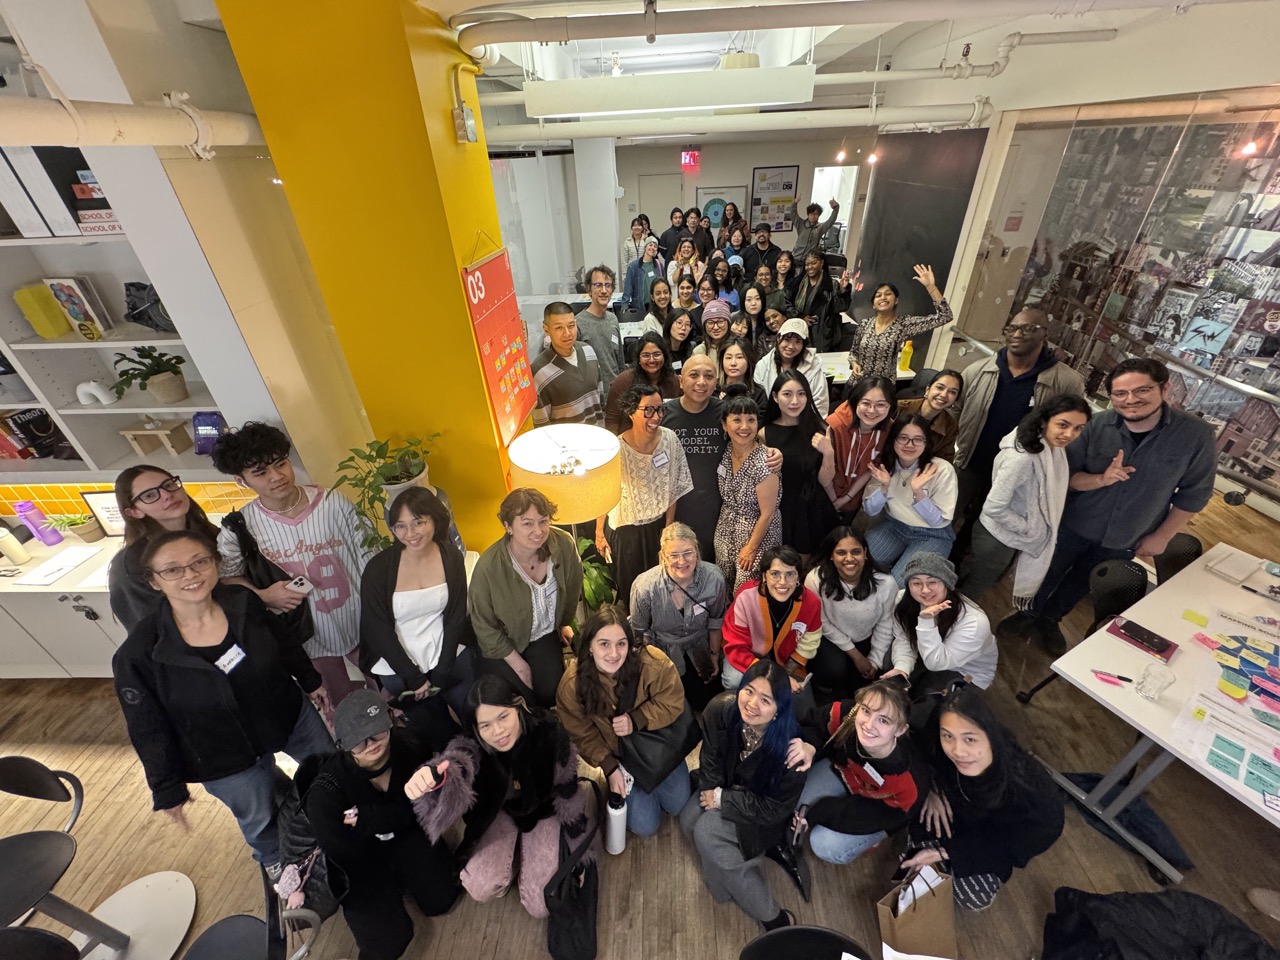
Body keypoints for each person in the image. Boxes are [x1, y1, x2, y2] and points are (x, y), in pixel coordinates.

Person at [112, 530, 333, 869]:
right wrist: (167, 788)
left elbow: (284, 642)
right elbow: (146, 727)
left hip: (287, 716)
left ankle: (343, 824)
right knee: (260, 819)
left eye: (199, 562)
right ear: (154, 582)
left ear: (214, 564)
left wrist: (311, 681)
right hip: (220, 752)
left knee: (330, 774)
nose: (190, 575)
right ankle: (279, 864)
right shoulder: (139, 653)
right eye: (172, 570)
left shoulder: (243, 602)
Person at [1004, 358, 1216, 653]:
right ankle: (1026, 614)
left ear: (1164, 388)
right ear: (1112, 396)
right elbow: (1066, 477)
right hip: (1074, 521)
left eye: (1142, 390)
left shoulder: (1195, 435)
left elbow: (1195, 493)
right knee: (1046, 571)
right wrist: (1101, 480)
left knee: (1083, 583)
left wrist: (1163, 536)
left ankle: (1050, 621)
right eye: (1120, 394)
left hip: (1129, 533)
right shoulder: (1095, 425)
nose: (1131, 400)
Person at [211, 421, 375, 712]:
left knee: (388, 688)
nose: (276, 477)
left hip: (360, 619)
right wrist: (262, 596)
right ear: (241, 480)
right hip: (305, 636)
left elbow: (370, 557)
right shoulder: (240, 528)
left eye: (280, 464)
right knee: (340, 704)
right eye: (260, 473)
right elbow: (225, 579)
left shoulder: (333, 503)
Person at [406, 675, 593, 919]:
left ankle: (528, 859)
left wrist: (579, 853)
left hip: (544, 812)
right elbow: (458, 761)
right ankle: (512, 865)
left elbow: (569, 795)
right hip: (500, 814)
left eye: (503, 717)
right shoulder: (473, 744)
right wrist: (435, 776)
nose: (497, 732)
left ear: (518, 707)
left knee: (540, 905)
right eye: (485, 725)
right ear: (475, 728)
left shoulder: (550, 733)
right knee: (480, 886)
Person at [303, 691, 460, 960]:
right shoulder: (325, 794)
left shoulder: (410, 745)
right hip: (360, 859)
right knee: (387, 942)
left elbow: (421, 808)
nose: (371, 743)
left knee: (442, 898)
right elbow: (342, 853)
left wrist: (371, 818)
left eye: (377, 731)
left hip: (403, 831)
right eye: (358, 742)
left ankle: (405, 876)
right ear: (342, 745)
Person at [903, 684, 1063, 911]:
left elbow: (1011, 846)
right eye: (948, 736)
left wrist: (945, 853)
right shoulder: (938, 741)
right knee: (914, 809)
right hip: (952, 812)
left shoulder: (1033, 797)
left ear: (990, 736)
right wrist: (932, 790)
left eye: (970, 739)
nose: (957, 751)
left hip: (991, 839)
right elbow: (921, 756)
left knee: (971, 897)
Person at [680, 659, 805, 932]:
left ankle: (773, 917)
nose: (751, 704)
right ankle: (726, 881)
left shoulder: (791, 751)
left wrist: (723, 801)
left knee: (705, 832)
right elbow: (710, 759)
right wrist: (714, 795)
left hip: (761, 814)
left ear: (777, 711)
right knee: (689, 821)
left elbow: (773, 809)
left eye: (765, 700)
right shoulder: (720, 709)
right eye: (748, 691)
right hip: (723, 789)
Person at [952, 307, 1085, 557]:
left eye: (1028, 328)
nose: (1018, 334)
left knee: (987, 527)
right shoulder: (978, 370)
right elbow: (956, 410)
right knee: (950, 512)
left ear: (1045, 334)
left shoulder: (1066, 381)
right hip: (972, 459)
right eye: (1012, 328)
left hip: (1018, 470)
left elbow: (1070, 424)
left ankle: (961, 560)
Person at [557, 605, 691, 836]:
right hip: (620, 757)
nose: (614, 653)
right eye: (604, 644)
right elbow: (581, 734)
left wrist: (638, 719)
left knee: (679, 805)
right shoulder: (572, 685)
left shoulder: (652, 664)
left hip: (657, 746)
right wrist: (609, 767)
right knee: (645, 826)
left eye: (621, 643)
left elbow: (674, 701)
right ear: (589, 646)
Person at [359, 486, 476, 744]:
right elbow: (376, 629)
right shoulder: (378, 569)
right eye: (400, 526)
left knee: (475, 714)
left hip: (447, 650)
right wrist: (414, 677)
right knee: (437, 732)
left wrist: (443, 670)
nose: (409, 534)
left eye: (418, 522)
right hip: (398, 662)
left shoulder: (451, 557)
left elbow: (456, 616)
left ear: (435, 520)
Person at [959, 396, 1091, 603]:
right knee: (976, 586)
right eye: (1063, 425)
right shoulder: (1022, 457)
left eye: (1078, 428)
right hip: (996, 536)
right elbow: (994, 507)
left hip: (1010, 534)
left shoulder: (1051, 450)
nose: (1070, 434)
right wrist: (1029, 527)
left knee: (984, 580)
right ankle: (947, 620)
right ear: (1044, 421)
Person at [791, 680, 931, 865]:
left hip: (877, 808)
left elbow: (871, 815)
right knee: (796, 800)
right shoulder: (846, 715)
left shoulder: (909, 783)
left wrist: (818, 812)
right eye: (866, 710)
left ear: (900, 729)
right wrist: (810, 746)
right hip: (845, 774)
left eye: (883, 720)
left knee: (824, 845)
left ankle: (872, 842)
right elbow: (814, 726)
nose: (868, 724)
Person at [469, 489, 582, 709]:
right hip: (503, 643)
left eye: (543, 521)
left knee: (550, 693)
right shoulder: (488, 567)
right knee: (520, 698)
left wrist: (563, 624)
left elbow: (573, 587)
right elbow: (483, 625)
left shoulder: (564, 544)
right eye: (527, 523)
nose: (538, 531)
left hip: (542, 635)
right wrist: (519, 665)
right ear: (508, 526)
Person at [596, 384, 694, 606]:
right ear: (631, 412)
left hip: (658, 527)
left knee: (662, 588)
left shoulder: (670, 439)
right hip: (626, 530)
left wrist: (668, 531)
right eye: (648, 410)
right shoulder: (616, 449)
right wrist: (598, 532)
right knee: (632, 590)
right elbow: (603, 493)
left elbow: (674, 488)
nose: (656, 416)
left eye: (660, 410)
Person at [630, 522, 728, 712]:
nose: (681, 561)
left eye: (688, 553)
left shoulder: (714, 578)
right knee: (669, 706)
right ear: (663, 557)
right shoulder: (645, 587)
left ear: (697, 551)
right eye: (673, 555)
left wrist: (715, 656)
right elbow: (638, 633)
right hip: (661, 650)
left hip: (699, 647)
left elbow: (716, 621)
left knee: (705, 704)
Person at [109, 466, 220, 632]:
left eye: (168, 485)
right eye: (149, 496)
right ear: (134, 512)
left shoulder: (207, 532)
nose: (167, 495)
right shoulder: (133, 567)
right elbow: (154, 632)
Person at [803, 527, 897, 698]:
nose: (849, 558)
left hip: (866, 637)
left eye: (856, 552)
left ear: (865, 553)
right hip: (829, 637)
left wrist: (874, 661)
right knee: (834, 671)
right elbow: (821, 622)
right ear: (831, 555)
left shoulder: (887, 583)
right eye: (841, 552)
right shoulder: (815, 579)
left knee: (865, 681)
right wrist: (856, 656)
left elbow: (886, 623)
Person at [863, 415, 959, 584]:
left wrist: (918, 493)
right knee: (861, 564)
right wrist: (884, 487)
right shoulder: (885, 467)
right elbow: (870, 510)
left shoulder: (942, 469)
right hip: (894, 526)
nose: (909, 445)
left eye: (917, 439)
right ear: (893, 440)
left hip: (933, 535)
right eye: (903, 438)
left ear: (926, 443)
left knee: (900, 583)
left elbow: (937, 522)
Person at [881, 554, 998, 690]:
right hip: (926, 654)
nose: (925, 590)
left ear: (947, 583)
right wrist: (902, 669)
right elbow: (904, 639)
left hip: (964, 671)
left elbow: (936, 663)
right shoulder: (903, 600)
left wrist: (926, 621)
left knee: (929, 700)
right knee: (891, 666)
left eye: (932, 582)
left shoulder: (975, 622)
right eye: (916, 583)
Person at [720, 544, 822, 691]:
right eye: (775, 574)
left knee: (798, 699)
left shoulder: (811, 603)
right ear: (764, 576)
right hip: (747, 655)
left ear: (798, 577)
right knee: (735, 681)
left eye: (790, 574)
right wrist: (774, 676)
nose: (782, 582)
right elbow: (736, 644)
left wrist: (786, 673)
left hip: (786, 662)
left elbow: (809, 643)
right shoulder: (746, 596)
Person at [762, 370, 836, 558]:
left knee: (808, 564)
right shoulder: (764, 433)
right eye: (787, 394)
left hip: (811, 508)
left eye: (801, 394)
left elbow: (825, 480)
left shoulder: (821, 429)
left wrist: (828, 453)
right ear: (775, 397)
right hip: (779, 508)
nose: (795, 401)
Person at [715, 394, 782, 595]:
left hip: (757, 537)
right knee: (723, 588)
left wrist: (751, 548)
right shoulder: (727, 450)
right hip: (726, 530)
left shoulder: (765, 462)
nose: (744, 426)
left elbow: (768, 513)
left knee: (747, 593)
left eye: (751, 420)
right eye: (737, 420)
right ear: (725, 425)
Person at [847, 265, 952, 380]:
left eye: (888, 294)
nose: (883, 297)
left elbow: (945, 316)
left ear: (896, 300)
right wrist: (854, 363)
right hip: (858, 384)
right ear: (873, 304)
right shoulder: (865, 324)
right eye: (878, 295)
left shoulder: (903, 325)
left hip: (882, 387)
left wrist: (931, 287)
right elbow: (853, 352)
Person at [818, 376, 897, 517]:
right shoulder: (834, 425)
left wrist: (846, 498)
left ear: (890, 406)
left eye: (880, 405)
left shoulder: (890, 429)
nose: (872, 411)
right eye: (866, 403)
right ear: (855, 403)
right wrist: (834, 501)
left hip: (857, 497)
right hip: (825, 494)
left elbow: (873, 467)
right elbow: (822, 470)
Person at [531, 302, 604, 427]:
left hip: (597, 437)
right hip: (567, 444)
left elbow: (600, 399)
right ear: (546, 329)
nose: (567, 333)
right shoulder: (539, 371)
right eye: (559, 328)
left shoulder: (588, 351)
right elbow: (541, 425)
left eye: (571, 326)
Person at [604, 332, 681, 434]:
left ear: (665, 357)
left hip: (663, 439)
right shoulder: (623, 381)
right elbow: (612, 420)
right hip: (629, 441)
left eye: (656, 354)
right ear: (638, 359)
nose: (651, 360)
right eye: (646, 355)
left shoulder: (675, 382)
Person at [752, 318, 830, 416]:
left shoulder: (814, 367)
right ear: (778, 338)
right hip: (772, 422)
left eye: (798, 341)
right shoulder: (763, 365)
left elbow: (820, 404)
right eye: (787, 339)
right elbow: (760, 404)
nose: (791, 346)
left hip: (805, 423)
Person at [787, 251, 851, 352]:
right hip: (800, 329)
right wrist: (800, 317)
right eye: (807, 264)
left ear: (821, 263)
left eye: (813, 263)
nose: (810, 267)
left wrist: (843, 289)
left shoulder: (831, 284)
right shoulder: (797, 283)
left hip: (822, 333)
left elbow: (840, 307)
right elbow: (787, 303)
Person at [896, 369, 964, 462]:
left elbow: (944, 460)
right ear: (928, 390)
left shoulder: (950, 426)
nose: (944, 395)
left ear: (955, 400)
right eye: (940, 387)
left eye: (952, 392)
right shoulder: (899, 408)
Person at [575, 265, 625, 388]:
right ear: (589, 289)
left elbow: (620, 360)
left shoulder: (613, 319)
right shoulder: (578, 323)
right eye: (598, 285)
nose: (603, 290)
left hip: (615, 395)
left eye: (608, 285)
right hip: (593, 397)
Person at [718, 336, 766, 409]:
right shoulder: (713, 389)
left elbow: (759, 419)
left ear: (748, 362)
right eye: (728, 358)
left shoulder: (758, 394)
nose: (733, 363)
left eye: (739, 357)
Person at [622, 236, 664, 311]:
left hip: (656, 306)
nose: (652, 248)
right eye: (650, 245)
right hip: (639, 307)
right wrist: (624, 308)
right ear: (645, 247)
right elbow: (628, 288)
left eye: (655, 246)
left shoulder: (658, 265)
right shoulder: (634, 266)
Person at [692, 298, 732, 373]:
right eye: (710, 323)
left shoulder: (737, 348)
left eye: (720, 322)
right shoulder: (699, 351)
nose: (716, 327)